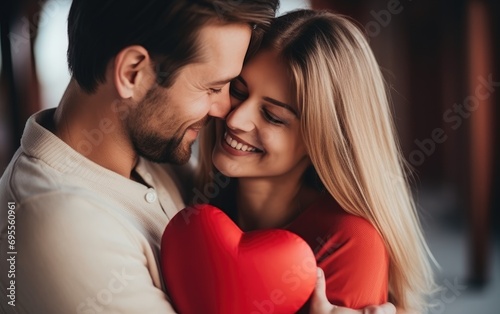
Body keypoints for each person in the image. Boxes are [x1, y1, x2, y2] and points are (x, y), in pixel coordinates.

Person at [0, 0, 394, 313]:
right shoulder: (55, 222)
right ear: (134, 73)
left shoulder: (156, 157)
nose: (226, 112)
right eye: (215, 87)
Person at [197, 9, 436, 313]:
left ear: (321, 139)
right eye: (238, 91)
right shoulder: (197, 205)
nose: (235, 118)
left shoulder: (349, 241)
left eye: (273, 116)